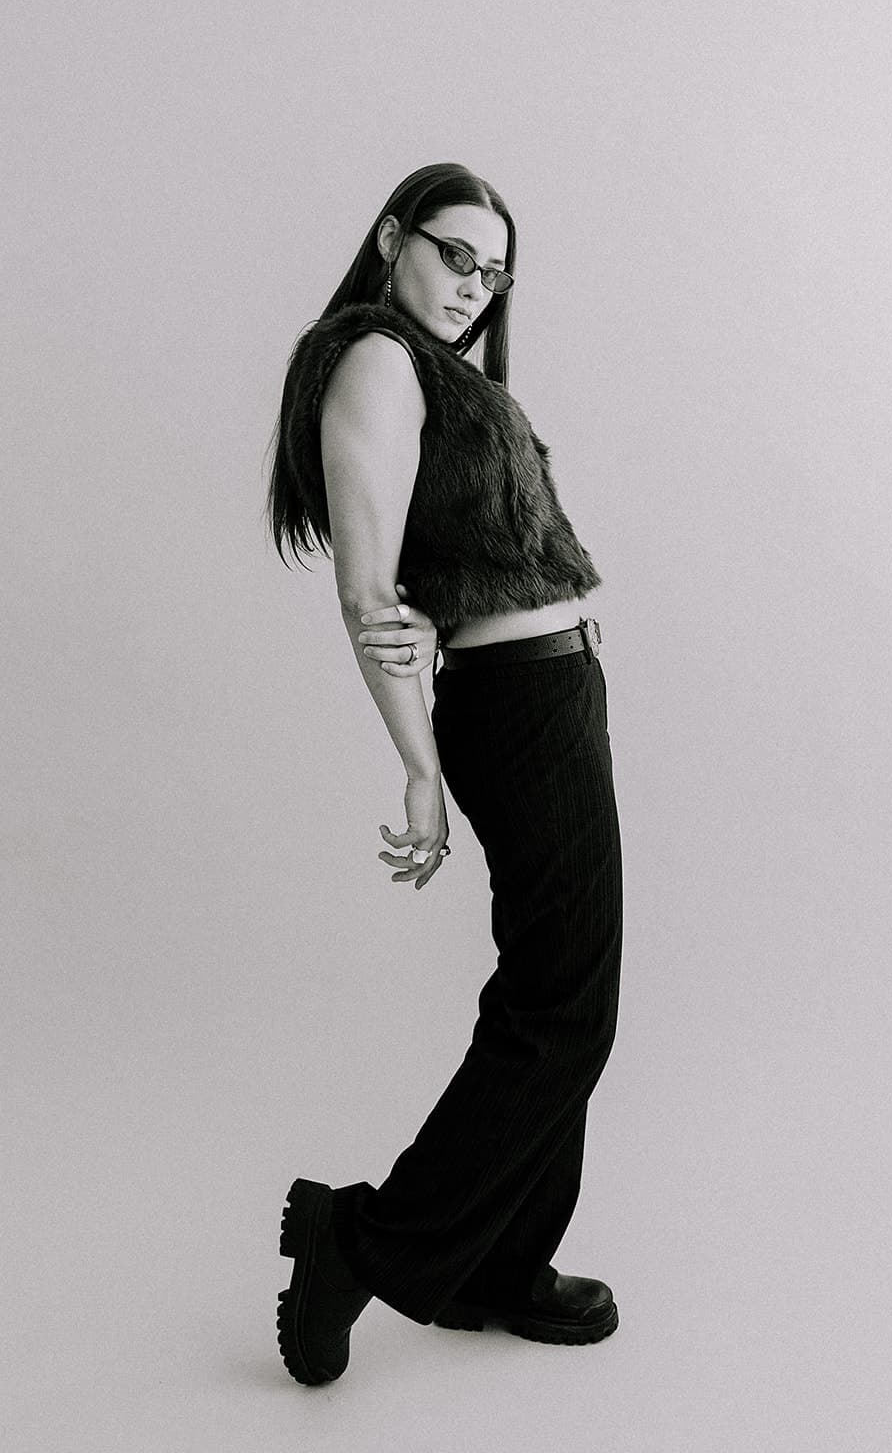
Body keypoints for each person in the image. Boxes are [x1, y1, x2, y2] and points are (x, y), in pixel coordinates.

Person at [267, 162, 623, 1386]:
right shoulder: (371, 357)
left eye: (493, 269)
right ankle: (357, 1241)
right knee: (562, 1010)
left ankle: (501, 1262)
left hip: (552, 687)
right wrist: (417, 767)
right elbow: (369, 594)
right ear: (390, 239)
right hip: (515, 705)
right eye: (454, 255)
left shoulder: (445, 371)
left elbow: (442, 560)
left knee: (555, 989)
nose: (474, 285)